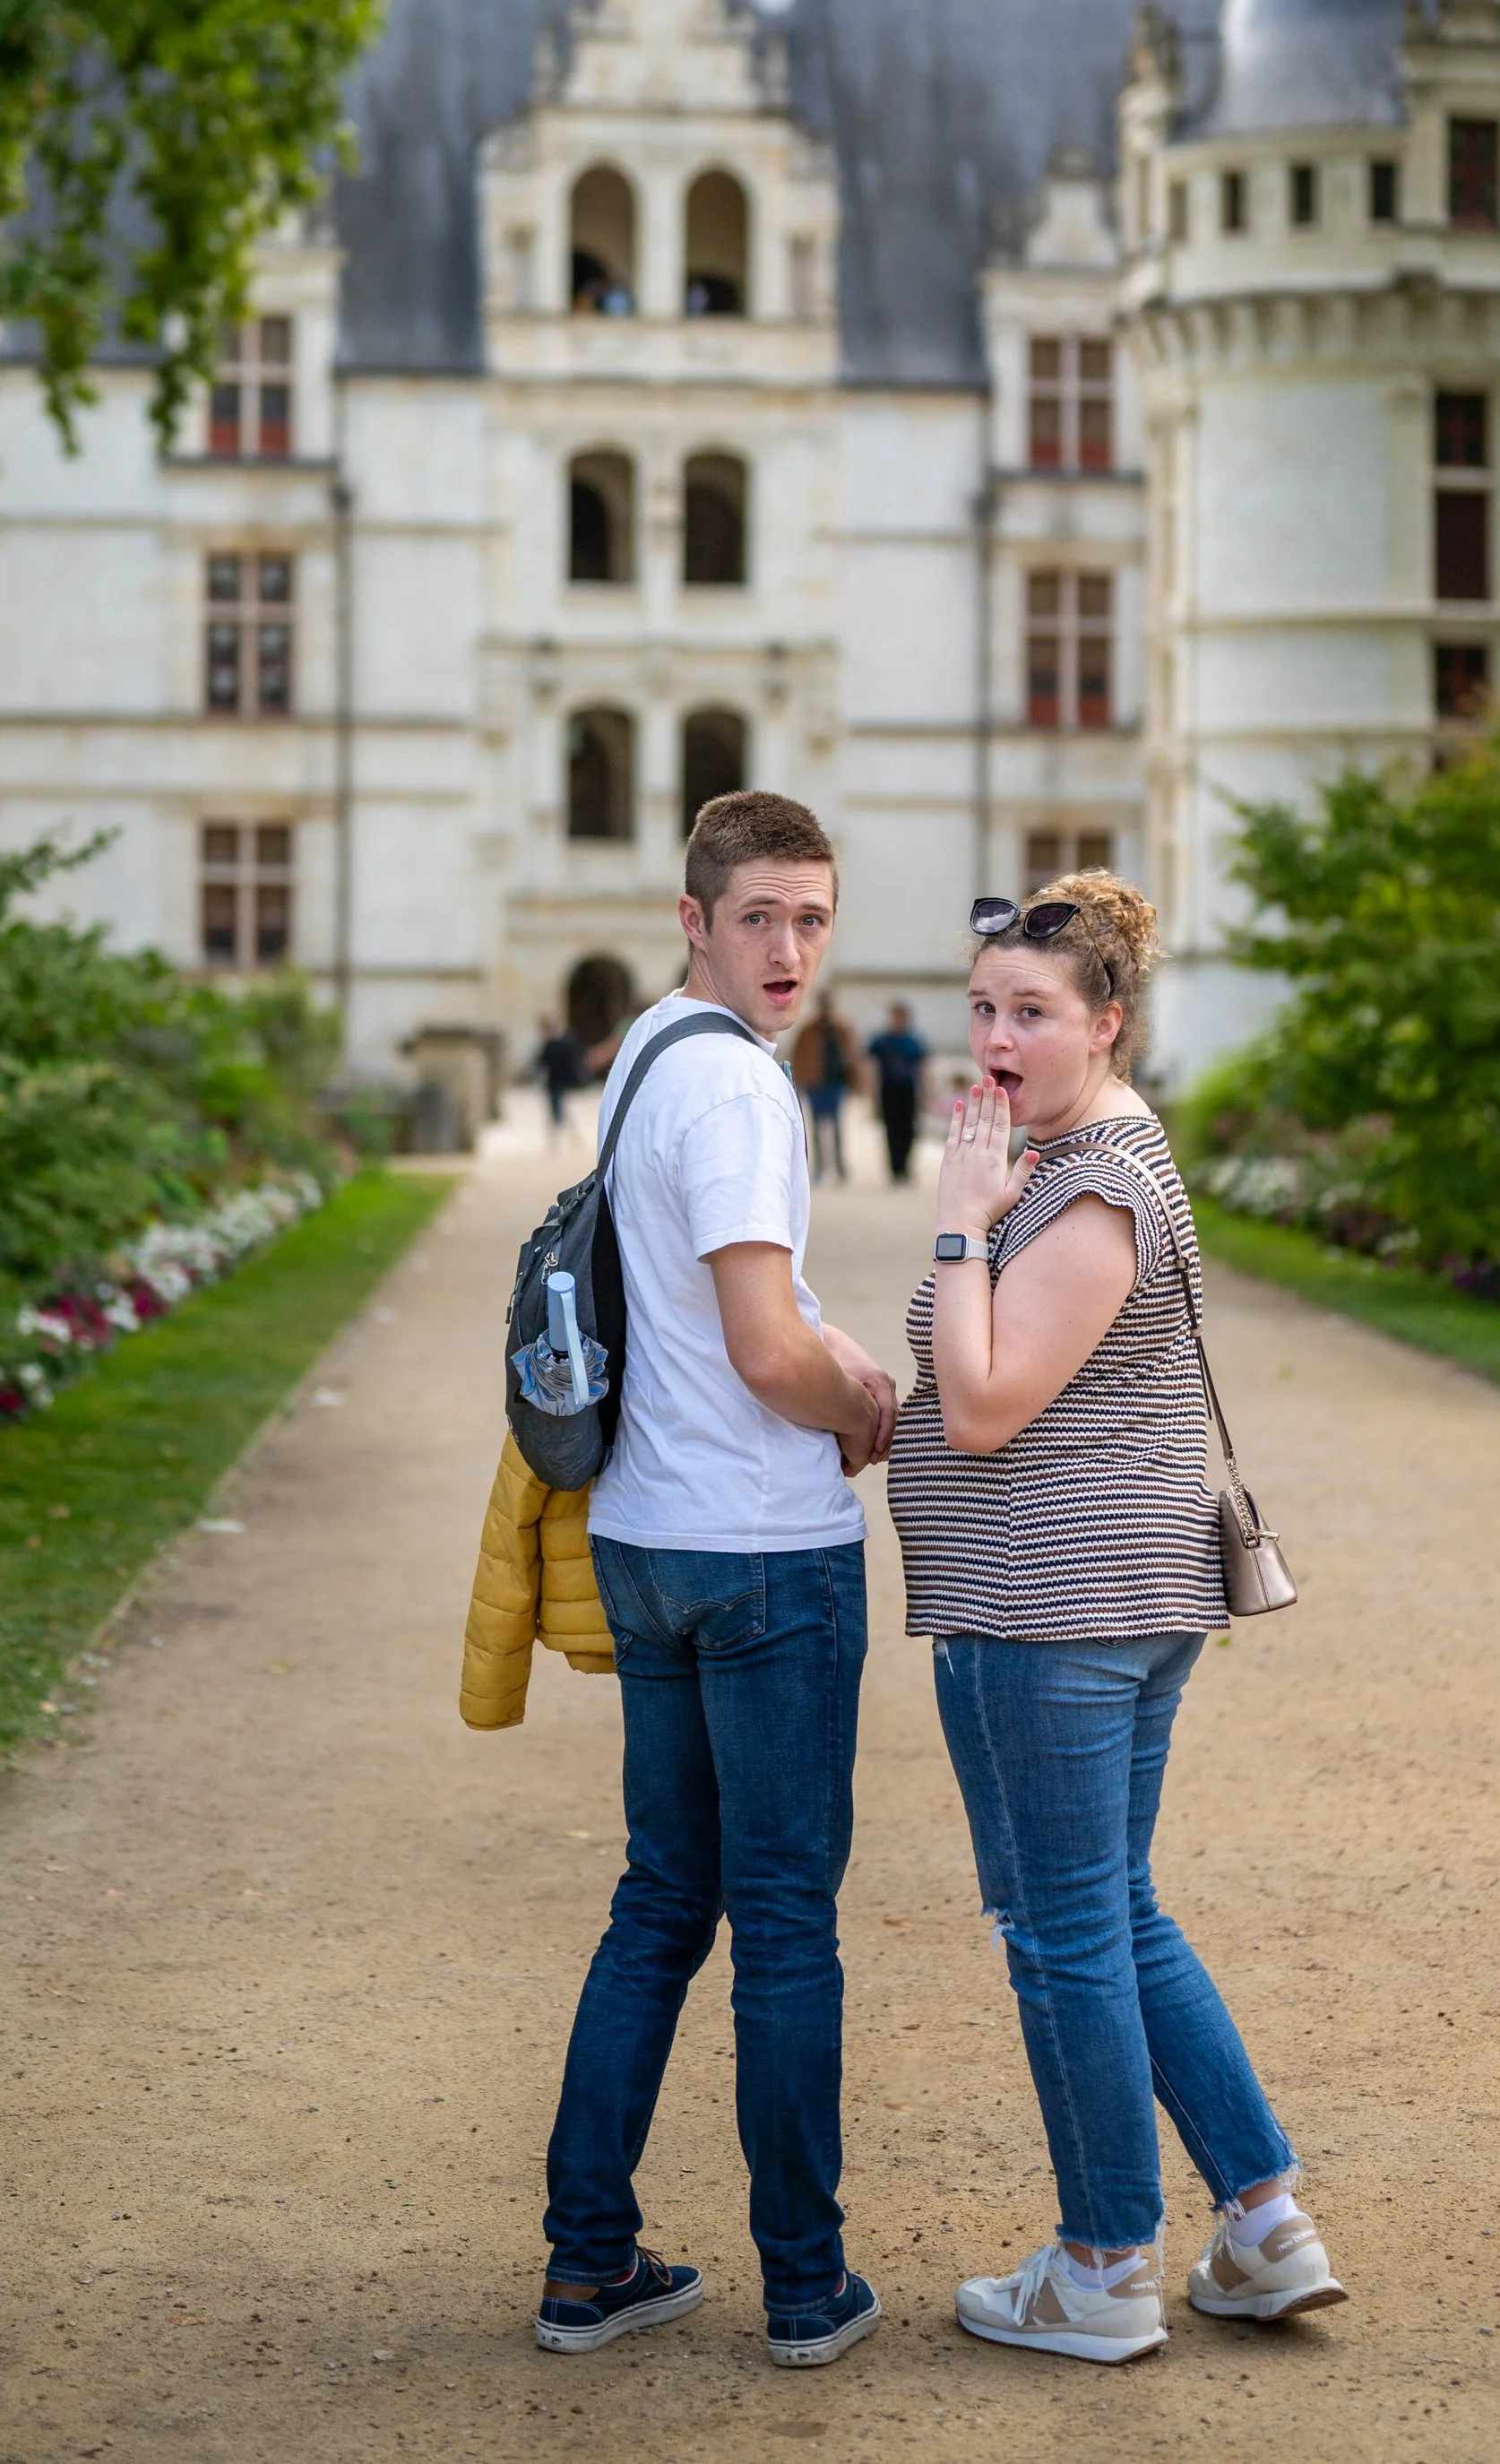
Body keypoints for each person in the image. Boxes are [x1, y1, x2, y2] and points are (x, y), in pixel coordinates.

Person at [884, 869, 1346, 2366]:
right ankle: (1267, 2227)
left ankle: (1100, 2264)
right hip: (1101, 1601)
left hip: (1053, 1613)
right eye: (984, 1008)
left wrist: (960, 1226)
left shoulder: (1088, 1182)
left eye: (1033, 1012)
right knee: (1113, 1912)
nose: (998, 1037)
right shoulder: (1078, 1153)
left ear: (1108, 1023)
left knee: (1060, 1926)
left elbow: (988, 1400)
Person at [535, 791, 898, 2373]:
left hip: (644, 1535)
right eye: (760, 916)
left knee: (660, 1900)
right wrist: (866, 1401)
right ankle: (805, 2283)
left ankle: (587, 2263)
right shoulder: (743, 1090)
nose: (790, 949)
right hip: (762, 1556)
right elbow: (763, 1348)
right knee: (786, 1927)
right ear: (693, 917)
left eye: (813, 918)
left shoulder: (645, 1056)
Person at [789, 1001, 856, 1182]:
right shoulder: (809, 1030)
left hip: (835, 1082)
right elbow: (799, 1055)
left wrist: (853, 1080)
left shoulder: (841, 1029)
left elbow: (852, 1053)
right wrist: (800, 1080)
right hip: (816, 1083)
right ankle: (819, 1167)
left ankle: (839, 1166)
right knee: (817, 1127)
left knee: (836, 1126)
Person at [866, 1000, 928, 1184]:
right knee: (891, 1130)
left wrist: (925, 1093)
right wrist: (872, 1093)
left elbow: (922, 1068)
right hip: (889, 1090)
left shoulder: (913, 1042)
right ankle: (895, 1169)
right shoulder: (881, 1041)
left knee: (908, 1130)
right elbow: (871, 1067)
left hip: (908, 1090)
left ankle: (905, 1167)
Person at [537, 1012, 585, 1144]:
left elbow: (573, 1061)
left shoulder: (566, 1041)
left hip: (562, 1080)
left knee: (561, 1108)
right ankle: (558, 1137)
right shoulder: (551, 1043)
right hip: (553, 1080)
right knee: (557, 1109)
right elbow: (542, 1062)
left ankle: (565, 1136)